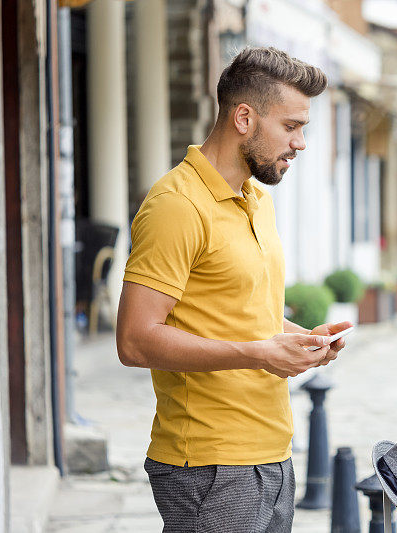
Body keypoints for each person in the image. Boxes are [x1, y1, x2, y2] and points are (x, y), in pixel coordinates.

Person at [116, 47, 351, 532]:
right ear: (244, 117)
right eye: (290, 126)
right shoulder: (176, 205)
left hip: (273, 454)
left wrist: (299, 339)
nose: (301, 143)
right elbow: (135, 339)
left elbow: (241, 312)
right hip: (208, 464)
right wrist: (260, 354)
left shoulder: (257, 200)